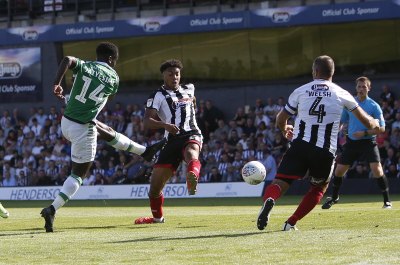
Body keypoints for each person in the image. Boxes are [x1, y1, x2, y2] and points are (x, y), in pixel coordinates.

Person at [40, 42, 166, 232]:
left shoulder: (86, 65)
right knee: (78, 175)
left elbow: (67, 60)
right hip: (82, 128)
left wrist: (57, 83)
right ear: (110, 59)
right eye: (115, 61)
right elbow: (108, 97)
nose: (115, 64)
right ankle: (52, 209)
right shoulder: (114, 77)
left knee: (101, 127)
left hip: (66, 122)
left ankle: (145, 151)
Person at [257, 55, 380, 231]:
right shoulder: (341, 93)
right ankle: (290, 222)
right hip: (324, 151)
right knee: (318, 188)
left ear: (315, 71)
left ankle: (270, 200)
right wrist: (374, 123)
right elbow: (367, 122)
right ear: (333, 72)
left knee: (279, 182)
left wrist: (284, 129)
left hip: (299, 146)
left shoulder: (301, 90)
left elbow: (281, 118)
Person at [134, 59, 203, 225]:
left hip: (191, 133)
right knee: (154, 188)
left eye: (177, 74)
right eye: (170, 74)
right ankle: (157, 219)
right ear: (163, 76)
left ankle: (192, 175)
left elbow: (192, 101)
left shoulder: (189, 88)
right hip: (171, 139)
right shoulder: (157, 95)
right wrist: (165, 125)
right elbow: (147, 122)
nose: (175, 77)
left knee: (191, 152)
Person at [322, 76, 392, 209]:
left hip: (368, 142)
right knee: (339, 171)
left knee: (377, 170)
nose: (361, 89)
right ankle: (335, 197)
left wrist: (364, 133)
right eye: (359, 86)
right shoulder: (350, 103)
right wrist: (337, 129)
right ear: (356, 88)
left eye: (364, 86)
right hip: (352, 143)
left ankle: (387, 201)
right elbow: (342, 121)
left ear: (369, 89)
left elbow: (382, 128)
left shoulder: (374, 106)